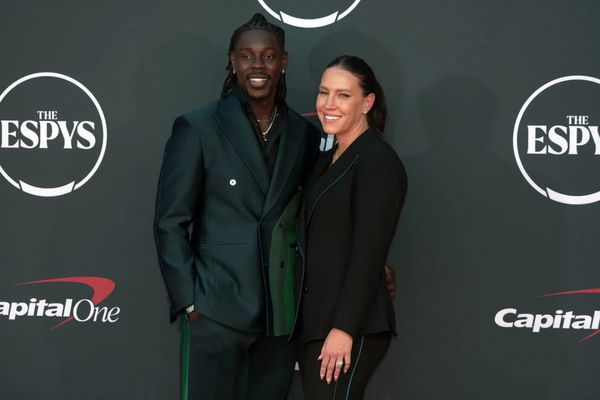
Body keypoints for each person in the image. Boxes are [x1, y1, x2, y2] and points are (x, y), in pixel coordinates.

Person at [154, 14, 321, 400]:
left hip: (280, 314)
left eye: (268, 56)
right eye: (247, 56)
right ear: (233, 61)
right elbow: (170, 221)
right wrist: (190, 301)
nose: (257, 66)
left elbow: (315, 217)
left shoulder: (305, 134)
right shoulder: (198, 127)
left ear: (284, 61)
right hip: (215, 308)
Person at [294, 55, 407, 400]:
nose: (329, 105)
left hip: (349, 327)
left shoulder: (377, 161)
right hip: (316, 320)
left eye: (343, 95)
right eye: (324, 92)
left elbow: (367, 252)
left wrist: (343, 329)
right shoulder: (329, 158)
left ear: (367, 102)